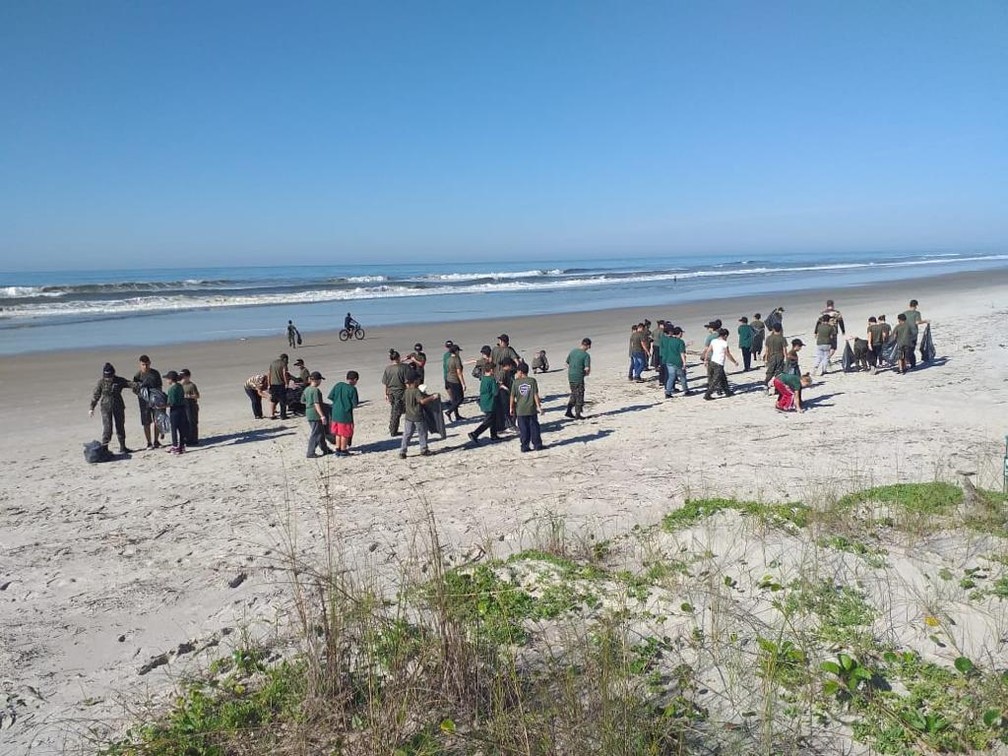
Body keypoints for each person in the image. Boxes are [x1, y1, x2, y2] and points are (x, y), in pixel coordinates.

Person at [89, 363, 136, 455]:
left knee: (120, 426)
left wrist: (141, 385)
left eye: (110, 376)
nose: (109, 378)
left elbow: (130, 384)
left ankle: (123, 447)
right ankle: (105, 448)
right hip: (105, 407)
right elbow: (96, 395)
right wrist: (91, 408)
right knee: (107, 428)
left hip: (118, 405)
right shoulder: (101, 383)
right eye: (107, 376)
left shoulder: (119, 380)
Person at [400, 373, 438, 458]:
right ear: (414, 381)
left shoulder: (406, 391)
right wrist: (433, 397)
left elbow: (404, 400)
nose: (419, 381)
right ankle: (424, 449)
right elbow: (422, 401)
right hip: (418, 416)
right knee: (423, 433)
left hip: (408, 416)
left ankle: (402, 451)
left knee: (407, 434)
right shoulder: (416, 391)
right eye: (417, 380)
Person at [510, 362, 544, 452]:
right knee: (534, 427)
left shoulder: (516, 382)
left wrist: (511, 408)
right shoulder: (532, 381)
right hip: (531, 409)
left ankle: (525, 446)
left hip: (520, 410)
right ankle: (537, 445)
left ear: (520, 372)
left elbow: (512, 396)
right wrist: (538, 406)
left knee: (523, 429)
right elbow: (535, 395)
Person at [133, 355, 163, 449]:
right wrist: (142, 392)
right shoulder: (137, 376)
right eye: (143, 365)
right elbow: (134, 390)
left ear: (150, 363)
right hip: (144, 402)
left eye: (147, 364)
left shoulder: (155, 373)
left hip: (155, 400)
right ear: (140, 364)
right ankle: (149, 442)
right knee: (146, 422)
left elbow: (160, 387)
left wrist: (158, 397)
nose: (145, 366)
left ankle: (156, 441)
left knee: (157, 420)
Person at [467, 362, 501, 445]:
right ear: (492, 370)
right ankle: (474, 433)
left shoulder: (483, 378)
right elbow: (495, 392)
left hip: (484, 401)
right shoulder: (491, 379)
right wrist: (499, 385)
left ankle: (494, 435)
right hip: (490, 402)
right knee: (488, 421)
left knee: (493, 419)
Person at [327, 370, 360, 457]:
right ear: (355, 379)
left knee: (338, 433)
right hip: (345, 414)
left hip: (335, 412)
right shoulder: (352, 389)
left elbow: (331, 396)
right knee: (345, 433)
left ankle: (337, 449)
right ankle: (343, 450)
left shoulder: (338, 385)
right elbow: (355, 404)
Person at [301, 371, 333, 458]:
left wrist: (309, 404)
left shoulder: (307, 389)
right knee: (316, 433)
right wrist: (322, 416)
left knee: (320, 432)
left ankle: (325, 449)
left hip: (308, 412)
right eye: (320, 380)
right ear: (317, 380)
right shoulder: (315, 390)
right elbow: (316, 404)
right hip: (315, 414)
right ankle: (310, 452)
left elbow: (302, 400)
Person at [704, 328, 738, 400]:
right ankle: (707, 394)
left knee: (723, 379)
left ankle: (727, 392)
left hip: (712, 362)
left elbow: (708, 351)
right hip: (718, 363)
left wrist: (705, 360)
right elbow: (728, 354)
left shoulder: (714, 341)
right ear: (725, 335)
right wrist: (734, 362)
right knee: (715, 380)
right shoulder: (724, 343)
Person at [381, 349, 408, 436]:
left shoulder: (388, 369)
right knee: (397, 412)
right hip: (400, 392)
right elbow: (406, 382)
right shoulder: (402, 368)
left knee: (395, 410)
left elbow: (386, 383)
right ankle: (393, 430)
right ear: (398, 357)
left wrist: (385, 394)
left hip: (391, 393)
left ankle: (393, 428)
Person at [565, 338, 592, 418]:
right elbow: (587, 368)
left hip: (570, 376)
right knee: (580, 394)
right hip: (578, 377)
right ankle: (578, 414)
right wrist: (586, 373)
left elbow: (566, 363)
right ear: (587, 346)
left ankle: (569, 411)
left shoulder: (573, 351)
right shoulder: (586, 355)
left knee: (573, 394)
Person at [163, 370, 188, 455]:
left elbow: (171, 403)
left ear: (170, 379)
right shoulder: (180, 386)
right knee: (181, 429)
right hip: (182, 409)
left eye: (167, 379)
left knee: (174, 429)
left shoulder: (171, 389)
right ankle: (182, 447)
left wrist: (161, 406)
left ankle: (175, 447)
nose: (166, 380)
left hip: (175, 411)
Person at [901, 299, 930, 368]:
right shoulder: (917, 313)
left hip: (905, 332)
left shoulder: (904, 313)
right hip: (913, 333)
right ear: (916, 305)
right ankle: (910, 362)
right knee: (912, 348)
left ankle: (910, 363)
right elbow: (917, 322)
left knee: (906, 347)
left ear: (909, 305)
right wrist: (925, 321)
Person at [661, 325, 689, 397]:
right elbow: (681, 353)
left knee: (671, 377)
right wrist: (684, 363)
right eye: (681, 333)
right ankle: (686, 391)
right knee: (682, 376)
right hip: (677, 361)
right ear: (679, 333)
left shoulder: (669, 340)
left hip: (669, 361)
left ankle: (668, 392)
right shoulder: (680, 341)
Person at [443, 344, 466, 422]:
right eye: (458, 351)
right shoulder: (456, 359)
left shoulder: (448, 359)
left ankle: (457, 415)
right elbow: (459, 372)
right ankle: (449, 411)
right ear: (456, 351)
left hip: (449, 379)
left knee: (455, 399)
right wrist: (463, 384)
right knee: (460, 398)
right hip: (455, 380)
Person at [179, 368, 200, 446]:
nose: (182, 378)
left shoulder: (191, 385)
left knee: (192, 422)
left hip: (192, 406)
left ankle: (194, 439)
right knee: (184, 423)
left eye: (183, 376)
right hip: (183, 406)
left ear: (188, 377)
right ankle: (186, 438)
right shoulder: (180, 385)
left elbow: (197, 396)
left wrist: (188, 396)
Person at [763, 323, 787, 389]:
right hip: (780, 356)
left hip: (771, 357)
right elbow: (784, 350)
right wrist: (786, 359)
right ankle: (777, 387)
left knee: (770, 372)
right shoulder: (782, 338)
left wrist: (765, 359)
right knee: (778, 372)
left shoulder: (769, 338)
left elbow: (767, 350)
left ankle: (766, 384)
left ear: (773, 329)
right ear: (780, 329)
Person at [268, 353, 291, 420]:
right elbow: (284, 373)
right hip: (280, 384)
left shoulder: (273, 363)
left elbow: (269, 374)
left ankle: (272, 415)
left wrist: (269, 384)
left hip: (273, 384)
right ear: (285, 359)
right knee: (282, 400)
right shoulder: (283, 364)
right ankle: (283, 415)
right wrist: (286, 383)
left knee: (273, 400)